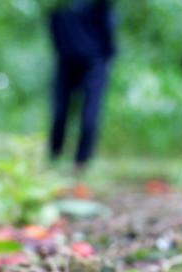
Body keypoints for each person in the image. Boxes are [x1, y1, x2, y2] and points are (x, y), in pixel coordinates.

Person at [48, 0, 116, 169]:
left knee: (87, 113)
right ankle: (59, 157)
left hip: (89, 61)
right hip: (71, 60)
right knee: (64, 112)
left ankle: (78, 160)